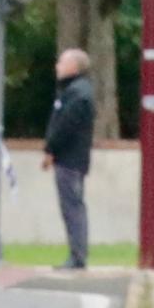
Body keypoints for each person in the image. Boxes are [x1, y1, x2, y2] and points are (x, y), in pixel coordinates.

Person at [42, 47, 99, 271]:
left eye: (62, 62)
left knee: (72, 207)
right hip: (71, 158)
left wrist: (50, 148)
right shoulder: (75, 90)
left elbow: (65, 125)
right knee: (72, 206)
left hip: (70, 159)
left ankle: (77, 256)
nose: (57, 66)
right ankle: (76, 254)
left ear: (74, 66)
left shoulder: (77, 93)